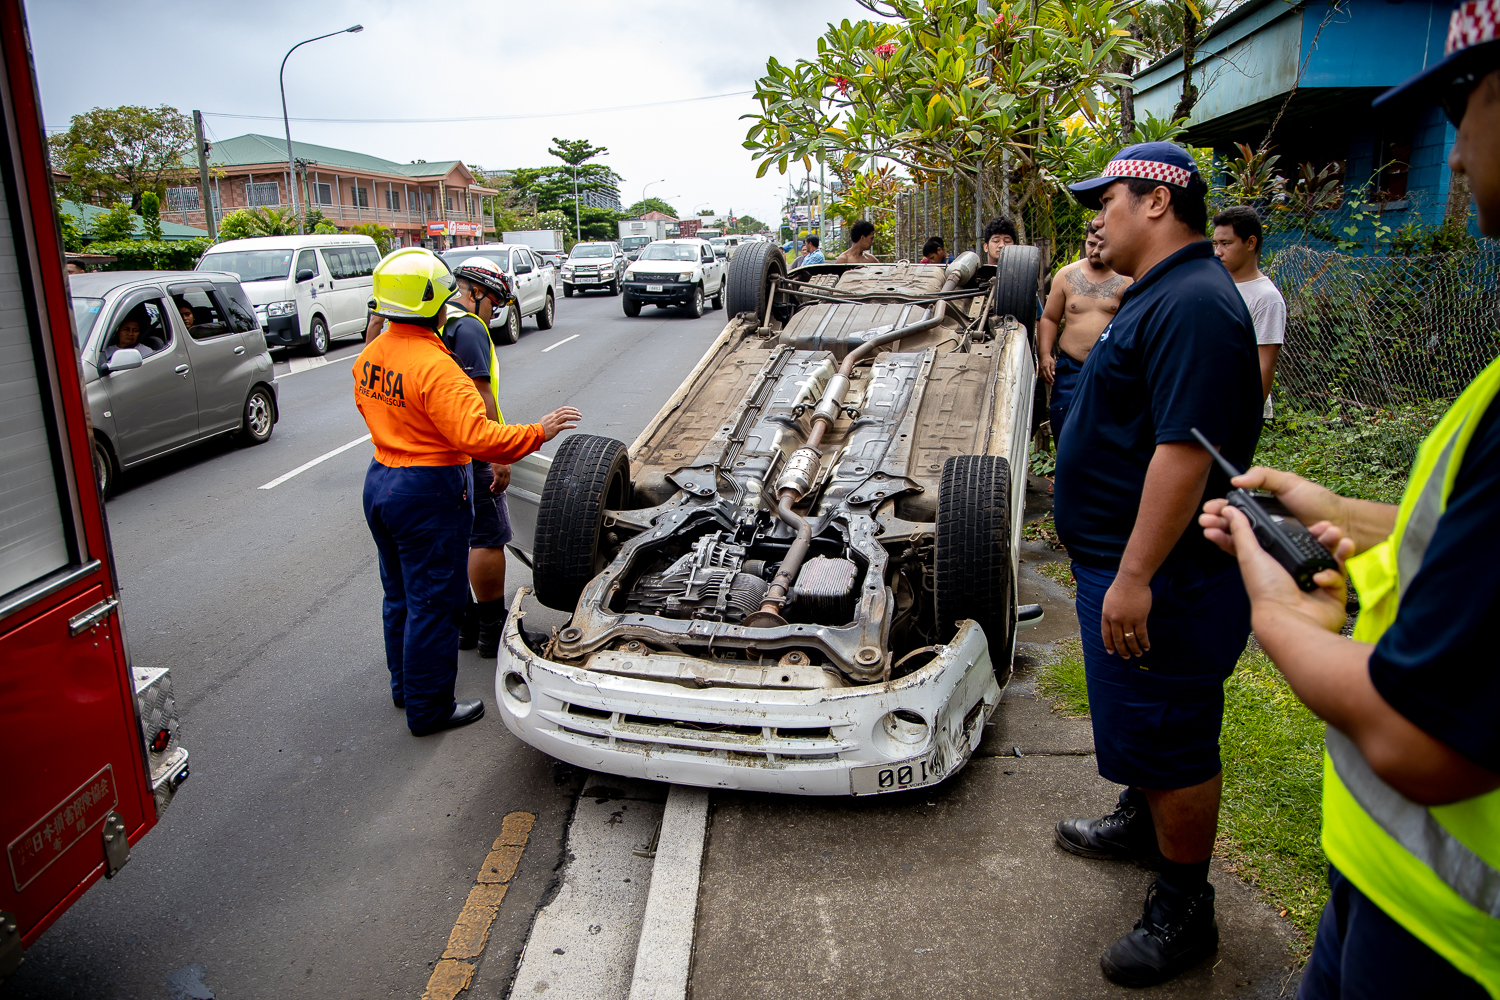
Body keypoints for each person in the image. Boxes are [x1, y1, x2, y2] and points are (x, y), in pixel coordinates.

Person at [1200, 14, 1500, 997]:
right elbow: (1465, 535)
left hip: (1448, 939)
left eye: (1469, 103)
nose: (1452, 157)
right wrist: (1338, 507)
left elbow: (1423, 742)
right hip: (1381, 886)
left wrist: (1280, 607)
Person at [1052, 141, 1263, 986]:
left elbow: (1183, 452)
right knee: (1144, 724)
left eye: (1108, 198)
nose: (1096, 215)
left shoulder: (1197, 304)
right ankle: (1142, 823)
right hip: (1123, 563)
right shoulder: (1163, 293)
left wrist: (1135, 576)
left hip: (1163, 579)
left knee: (1172, 735)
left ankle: (1184, 909)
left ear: (1155, 201)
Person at [354, 248, 582, 737]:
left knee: (398, 595)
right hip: (427, 490)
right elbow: (477, 437)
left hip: (381, 479)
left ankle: (405, 687)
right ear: (434, 300)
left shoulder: (373, 353)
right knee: (433, 605)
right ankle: (429, 709)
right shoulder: (435, 367)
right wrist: (537, 431)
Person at [442, 257, 516, 658]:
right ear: (477, 292)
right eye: (495, 303)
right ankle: (491, 630)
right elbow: (480, 392)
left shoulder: (431, 320)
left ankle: (466, 625)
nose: (495, 312)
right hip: (471, 446)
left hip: (439, 447)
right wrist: (496, 453)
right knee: (487, 537)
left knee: (456, 538)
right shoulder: (467, 325)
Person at [1037, 221, 1131, 438]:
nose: (1095, 250)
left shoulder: (1127, 279)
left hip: (1112, 367)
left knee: (1110, 429)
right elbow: (1050, 317)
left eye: (1101, 245)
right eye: (1091, 244)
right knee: (1064, 424)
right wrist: (1044, 354)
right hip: (1071, 365)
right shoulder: (1067, 275)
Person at [1212, 205, 1285, 417]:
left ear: (1251, 243)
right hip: (1207, 402)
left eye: (1226, 243)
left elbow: (1265, 365)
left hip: (1238, 410)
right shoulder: (1213, 285)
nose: (1218, 252)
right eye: (1215, 244)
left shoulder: (1266, 297)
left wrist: (1246, 417)